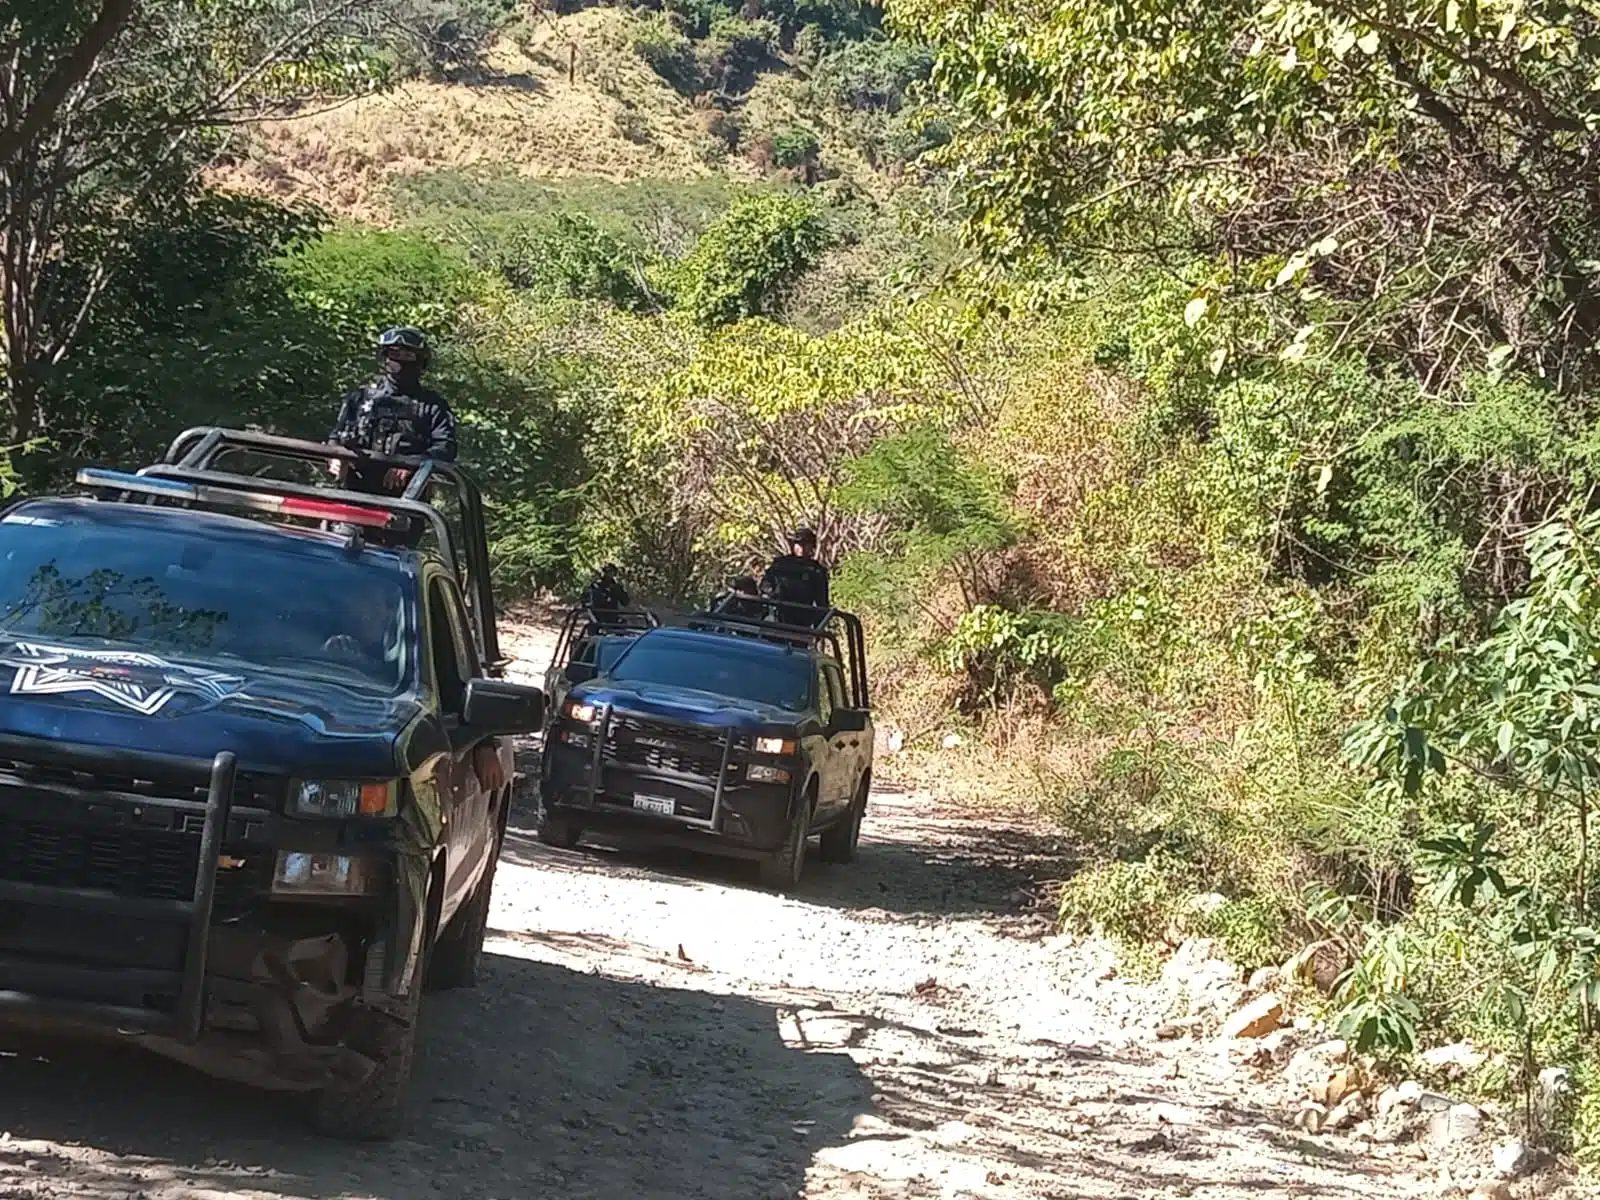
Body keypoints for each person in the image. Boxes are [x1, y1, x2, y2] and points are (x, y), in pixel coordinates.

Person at [329, 326, 458, 495]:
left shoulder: (433, 405)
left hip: (408, 499)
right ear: (384, 358)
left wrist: (411, 464)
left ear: (420, 361)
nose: (400, 362)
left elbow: (446, 448)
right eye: (394, 355)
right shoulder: (360, 398)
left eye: (407, 356)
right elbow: (336, 437)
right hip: (354, 492)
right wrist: (337, 457)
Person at [760, 527, 830, 624]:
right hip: (777, 616)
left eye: (806, 544)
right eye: (798, 544)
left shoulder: (816, 571)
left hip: (801, 621)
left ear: (812, 546)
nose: (801, 548)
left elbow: (822, 603)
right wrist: (772, 595)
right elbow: (765, 585)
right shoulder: (780, 565)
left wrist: (817, 628)